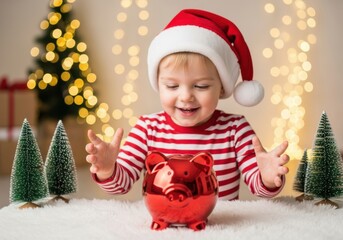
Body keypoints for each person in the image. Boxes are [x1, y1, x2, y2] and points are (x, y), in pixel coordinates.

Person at [85, 9, 289, 200]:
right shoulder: (147, 129)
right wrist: (108, 170)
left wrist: (268, 178)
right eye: (172, 86)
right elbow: (121, 184)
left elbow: (259, 188)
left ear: (221, 87)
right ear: (159, 84)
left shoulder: (235, 130)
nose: (186, 96)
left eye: (200, 86)